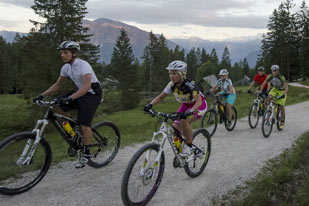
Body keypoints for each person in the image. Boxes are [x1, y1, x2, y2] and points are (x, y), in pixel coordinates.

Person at [33, 40, 102, 168]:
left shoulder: (83, 65)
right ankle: (72, 129)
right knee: (56, 105)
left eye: (65, 52)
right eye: (61, 53)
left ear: (74, 53)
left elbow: (87, 87)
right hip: (80, 92)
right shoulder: (66, 67)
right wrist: (42, 95)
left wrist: (71, 98)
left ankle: (86, 153)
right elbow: (58, 84)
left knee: (84, 124)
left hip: (92, 94)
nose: (62, 55)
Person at [143, 60, 207, 157]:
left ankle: (189, 146)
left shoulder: (190, 85)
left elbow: (199, 102)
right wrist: (150, 105)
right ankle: (181, 151)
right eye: (170, 73)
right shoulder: (171, 85)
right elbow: (161, 97)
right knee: (175, 128)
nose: (171, 76)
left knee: (184, 120)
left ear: (182, 74)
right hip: (185, 105)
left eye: (174, 73)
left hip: (199, 105)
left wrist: (190, 112)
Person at [259, 64, 288, 129]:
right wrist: (260, 91)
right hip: (275, 89)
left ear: (278, 71)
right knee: (268, 98)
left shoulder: (281, 77)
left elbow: (286, 87)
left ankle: (282, 121)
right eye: (273, 71)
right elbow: (263, 84)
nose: (274, 72)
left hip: (282, 91)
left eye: (275, 71)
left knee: (281, 106)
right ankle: (268, 113)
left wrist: (284, 94)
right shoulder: (270, 76)